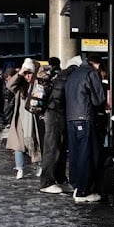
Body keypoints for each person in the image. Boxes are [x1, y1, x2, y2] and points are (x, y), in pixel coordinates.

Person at [64, 54, 107, 204]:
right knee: (86, 154)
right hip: (86, 117)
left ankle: (76, 185)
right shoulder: (91, 73)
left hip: (71, 118)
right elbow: (99, 99)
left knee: (75, 153)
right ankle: (84, 190)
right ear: (97, 64)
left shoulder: (73, 74)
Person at [4, 58, 42, 179]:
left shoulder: (38, 84)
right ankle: (19, 168)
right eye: (25, 74)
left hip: (34, 119)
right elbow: (9, 85)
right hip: (20, 119)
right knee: (18, 145)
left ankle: (38, 164)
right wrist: (20, 72)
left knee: (34, 143)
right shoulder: (20, 87)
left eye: (29, 73)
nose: (27, 76)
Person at [39, 60, 73, 194]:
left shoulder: (59, 76)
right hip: (55, 115)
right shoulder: (65, 77)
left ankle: (59, 178)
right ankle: (47, 181)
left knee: (58, 147)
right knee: (53, 148)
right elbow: (59, 98)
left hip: (54, 113)